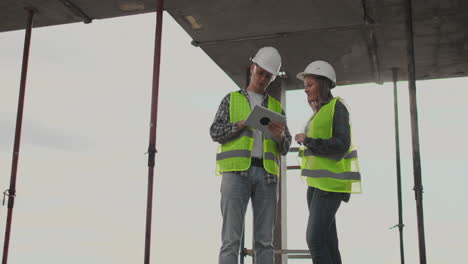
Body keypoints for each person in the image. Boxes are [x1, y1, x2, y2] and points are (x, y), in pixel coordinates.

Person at [210, 46, 292, 264]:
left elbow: (285, 146)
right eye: (261, 72)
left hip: (267, 176)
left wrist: (280, 137)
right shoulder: (231, 99)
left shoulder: (276, 107)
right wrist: (240, 124)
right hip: (236, 174)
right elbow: (215, 132)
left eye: (268, 75)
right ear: (253, 68)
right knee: (230, 241)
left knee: (265, 243)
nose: (263, 78)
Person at [294, 60, 362, 264]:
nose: (306, 90)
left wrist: (308, 141)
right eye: (305, 86)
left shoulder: (337, 108)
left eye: (310, 85)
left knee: (314, 239)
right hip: (316, 186)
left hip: (330, 185)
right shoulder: (318, 113)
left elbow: (341, 144)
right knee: (328, 242)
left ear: (323, 84)